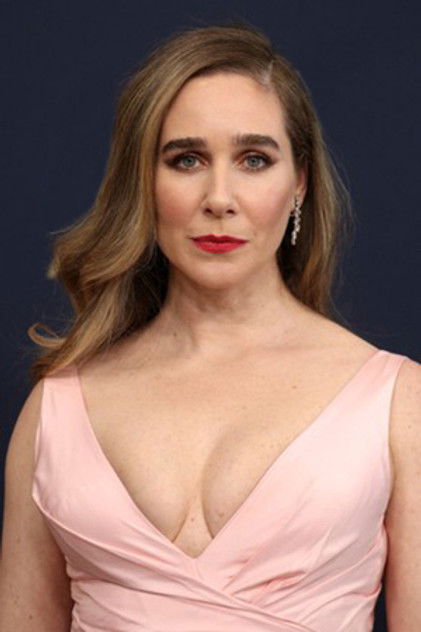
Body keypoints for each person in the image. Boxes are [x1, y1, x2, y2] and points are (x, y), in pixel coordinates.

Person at [0, 22, 419, 632]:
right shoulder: (58, 409)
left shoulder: (397, 403)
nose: (219, 197)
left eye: (254, 160)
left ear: (299, 183)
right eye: (187, 160)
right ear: (144, 182)